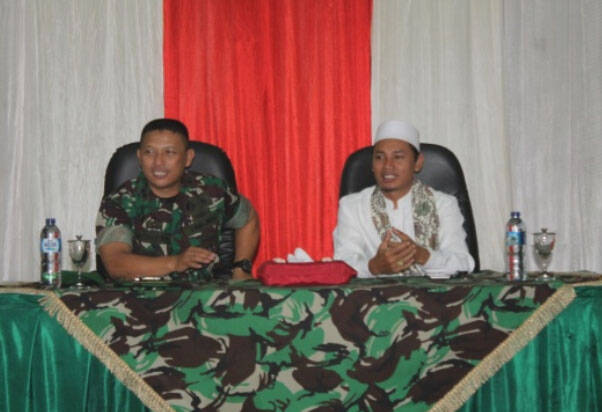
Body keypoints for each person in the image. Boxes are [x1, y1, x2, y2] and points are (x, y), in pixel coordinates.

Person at [96, 118, 259, 281]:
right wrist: (175, 263)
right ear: (139, 157)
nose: (158, 162)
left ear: (188, 158)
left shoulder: (212, 191)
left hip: (204, 291)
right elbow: (116, 264)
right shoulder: (120, 201)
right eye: (149, 152)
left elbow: (248, 219)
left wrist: (241, 268)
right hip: (142, 292)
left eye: (169, 152)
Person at [333, 120, 474, 278]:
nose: (388, 165)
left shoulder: (444, 205)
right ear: (372, 164)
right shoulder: (352, 207)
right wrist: (373, 267)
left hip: (432, 293)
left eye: (398, 157)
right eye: (379, 157)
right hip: (376, 293)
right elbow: (343, 263)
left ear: (417, 163)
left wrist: (424, 257)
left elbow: (463, 263)